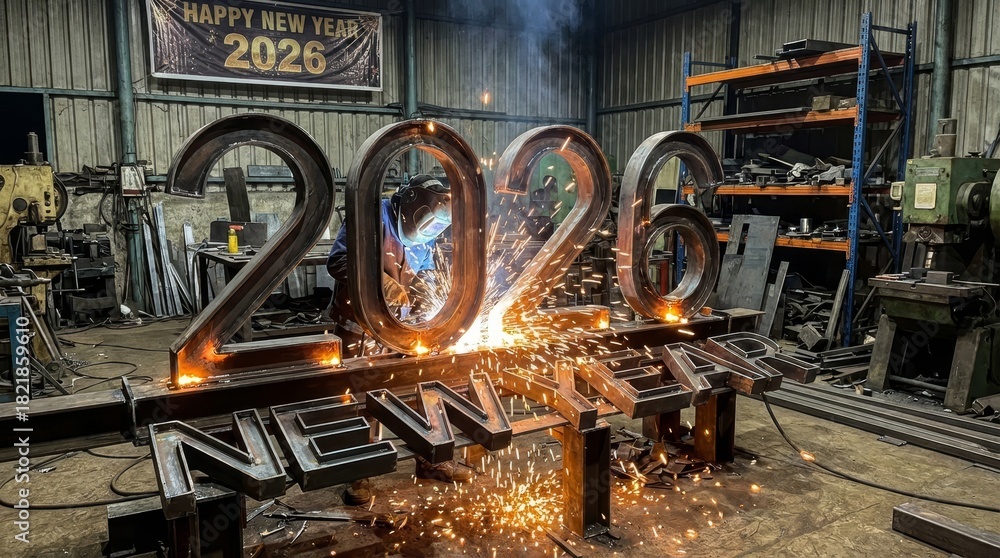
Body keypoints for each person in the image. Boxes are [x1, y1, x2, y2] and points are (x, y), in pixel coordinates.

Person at [325, 174, 473, 504]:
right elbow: (336, 261)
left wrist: (427, 293)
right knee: (364, 400)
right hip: (359, 326)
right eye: (428, 220)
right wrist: (380, 283)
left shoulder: (428, 230)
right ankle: (359, 474)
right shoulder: (370, 215)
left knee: (425, 386)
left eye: (438, 225)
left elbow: (424, 270)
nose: (431, 229)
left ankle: (431, 459)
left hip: (400, 328)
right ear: (409, 203)